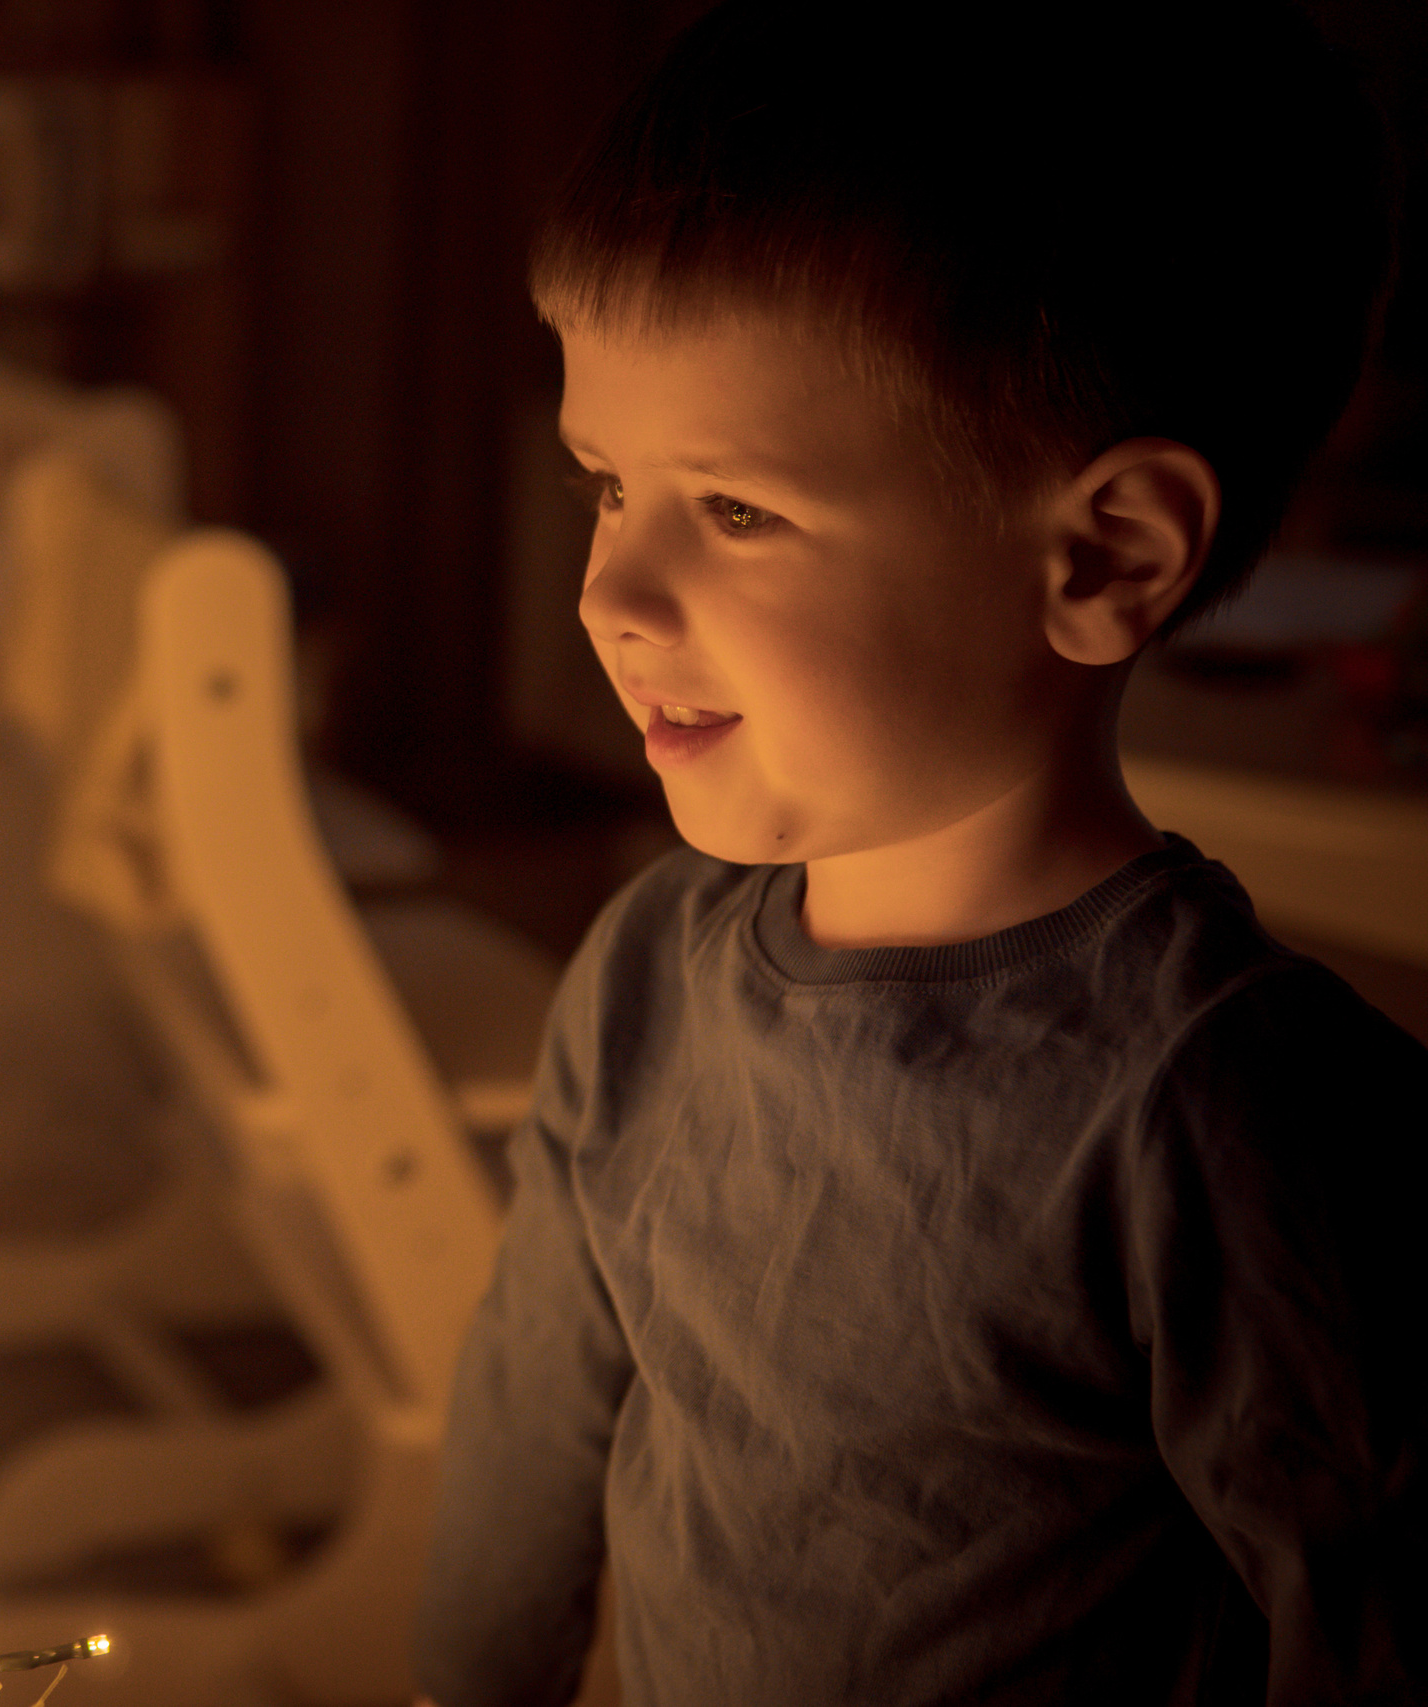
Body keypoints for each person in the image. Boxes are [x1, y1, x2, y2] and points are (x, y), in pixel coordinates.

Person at [413, 2, 1424, 1702]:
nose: (613, 593)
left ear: (1105, 555)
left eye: (735, 511)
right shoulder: (649, 977)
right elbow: (532, 1434)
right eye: (606, 483)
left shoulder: (1225, 1105)